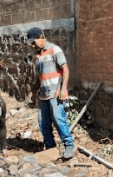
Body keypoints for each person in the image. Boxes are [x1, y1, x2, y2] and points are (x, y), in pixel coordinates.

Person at [26, 27, 76, 160]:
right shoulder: (37, 57)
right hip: (43, 94)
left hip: (55, 92)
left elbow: (65, 69)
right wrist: (34, 91)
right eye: (30, 43)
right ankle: (50, 147)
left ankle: (69, 146)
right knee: (43, 122)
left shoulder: (55, 50)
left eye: (33, 42)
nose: (32, 45)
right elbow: (39, 77)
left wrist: (64, 89)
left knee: (59, 119)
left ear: (41, 37)